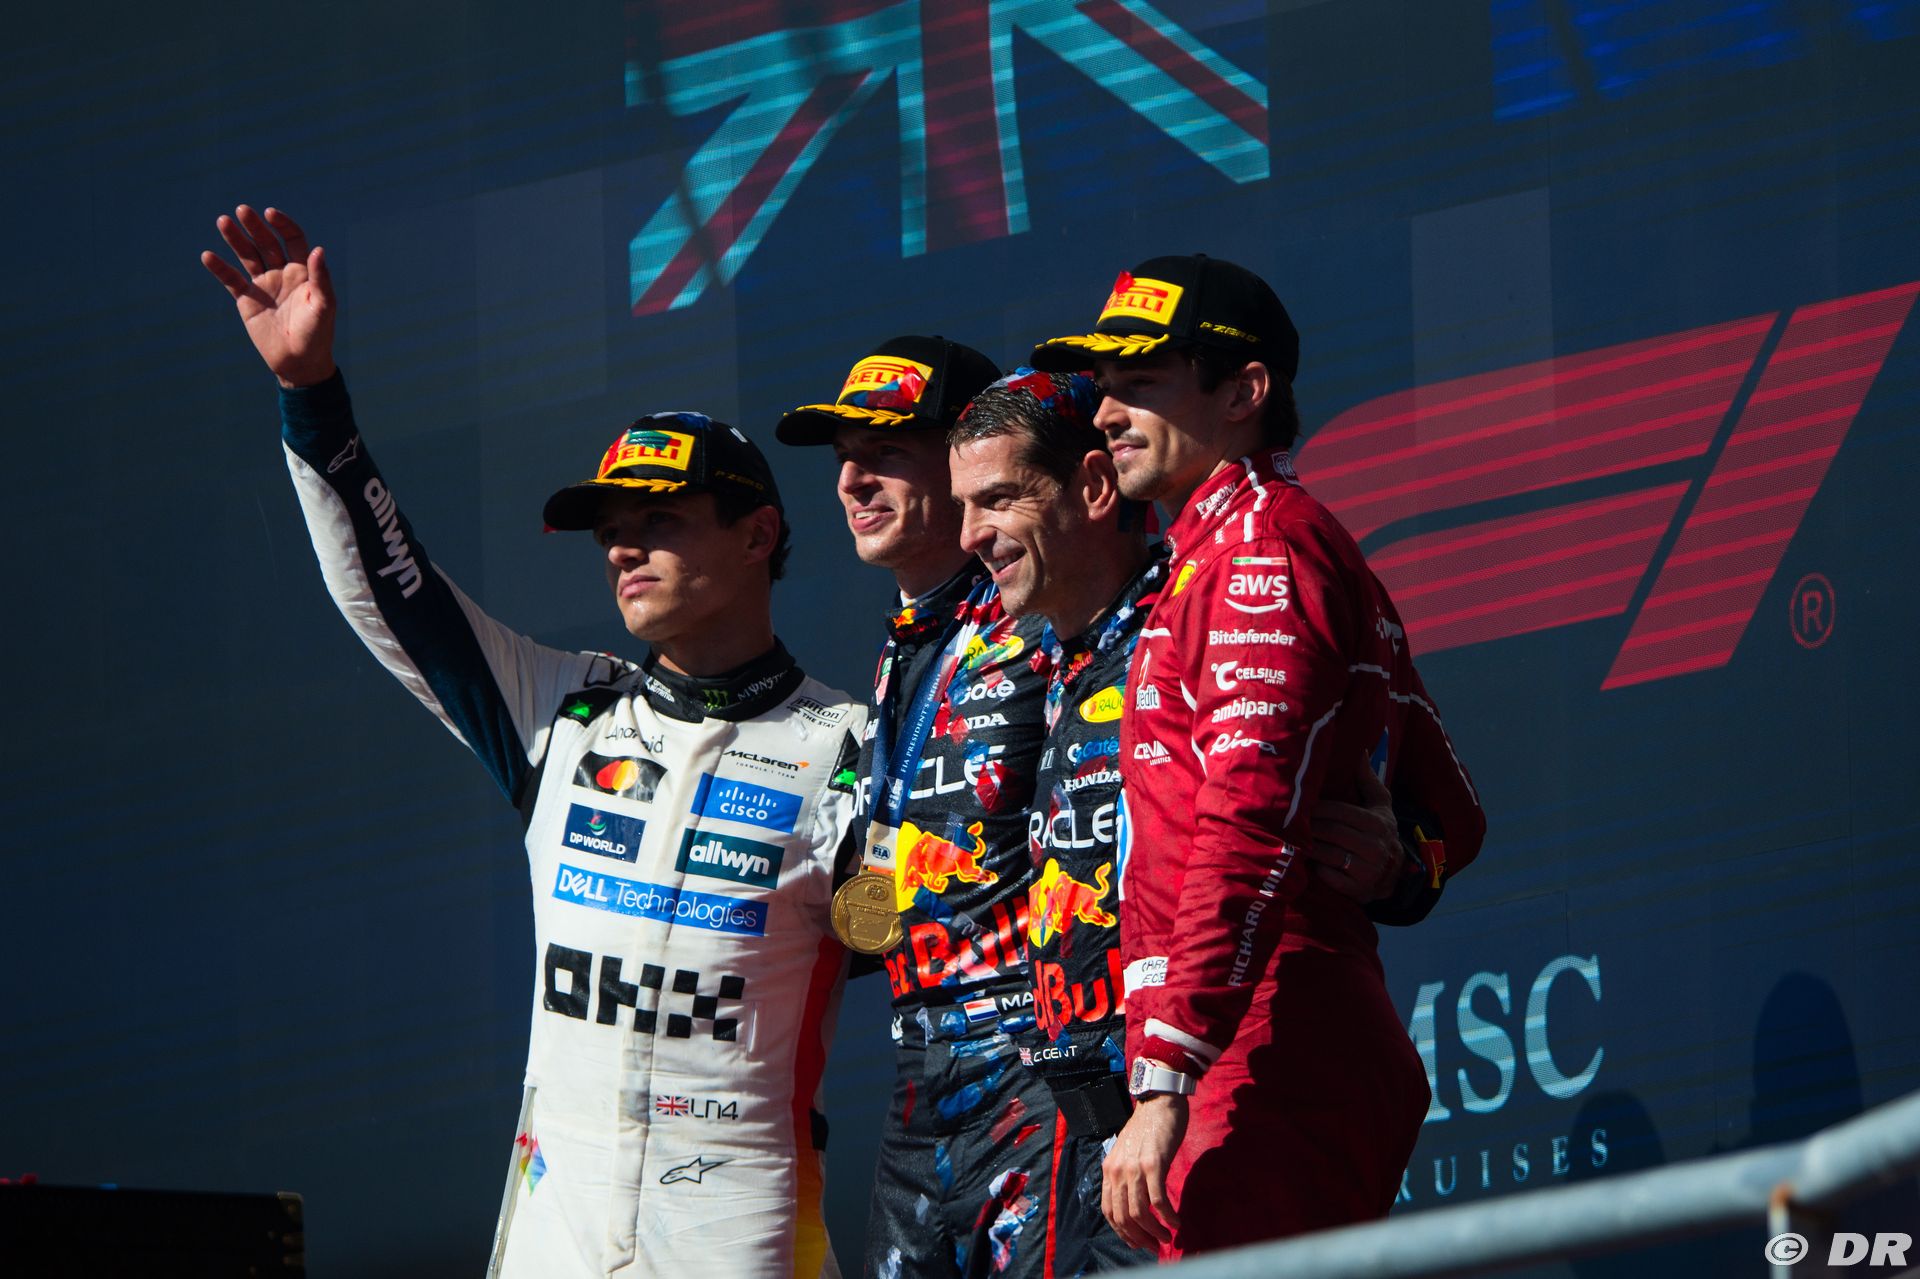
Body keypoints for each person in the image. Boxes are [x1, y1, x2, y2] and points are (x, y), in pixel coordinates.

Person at [202, 205, 866, 1279]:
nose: (623, 548)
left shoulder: (850, 746)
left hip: (745, 1229)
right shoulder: (564, 710)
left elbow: (932, 954)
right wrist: (311, 396)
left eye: (659, 519)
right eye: (610, 529)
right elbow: (393, 595)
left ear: (758, 534)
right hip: (558, 1230)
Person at [946, 368, 1456, 1272]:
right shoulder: (1030, 655)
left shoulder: (1235, 583)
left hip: (1214, 1074)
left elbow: (1296, 816)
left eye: (996, 499)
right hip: (1097, 1112)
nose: (969, 536)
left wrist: (1404, 864)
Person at [776, 338, 1062, 1279]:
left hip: (1035, 1072)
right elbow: (897, 894)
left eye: (886, 451)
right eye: (843, 457)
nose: (852, 479)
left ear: (967, 457)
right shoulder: (905, 649)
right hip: (919, 1085)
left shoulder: (1046, 619)